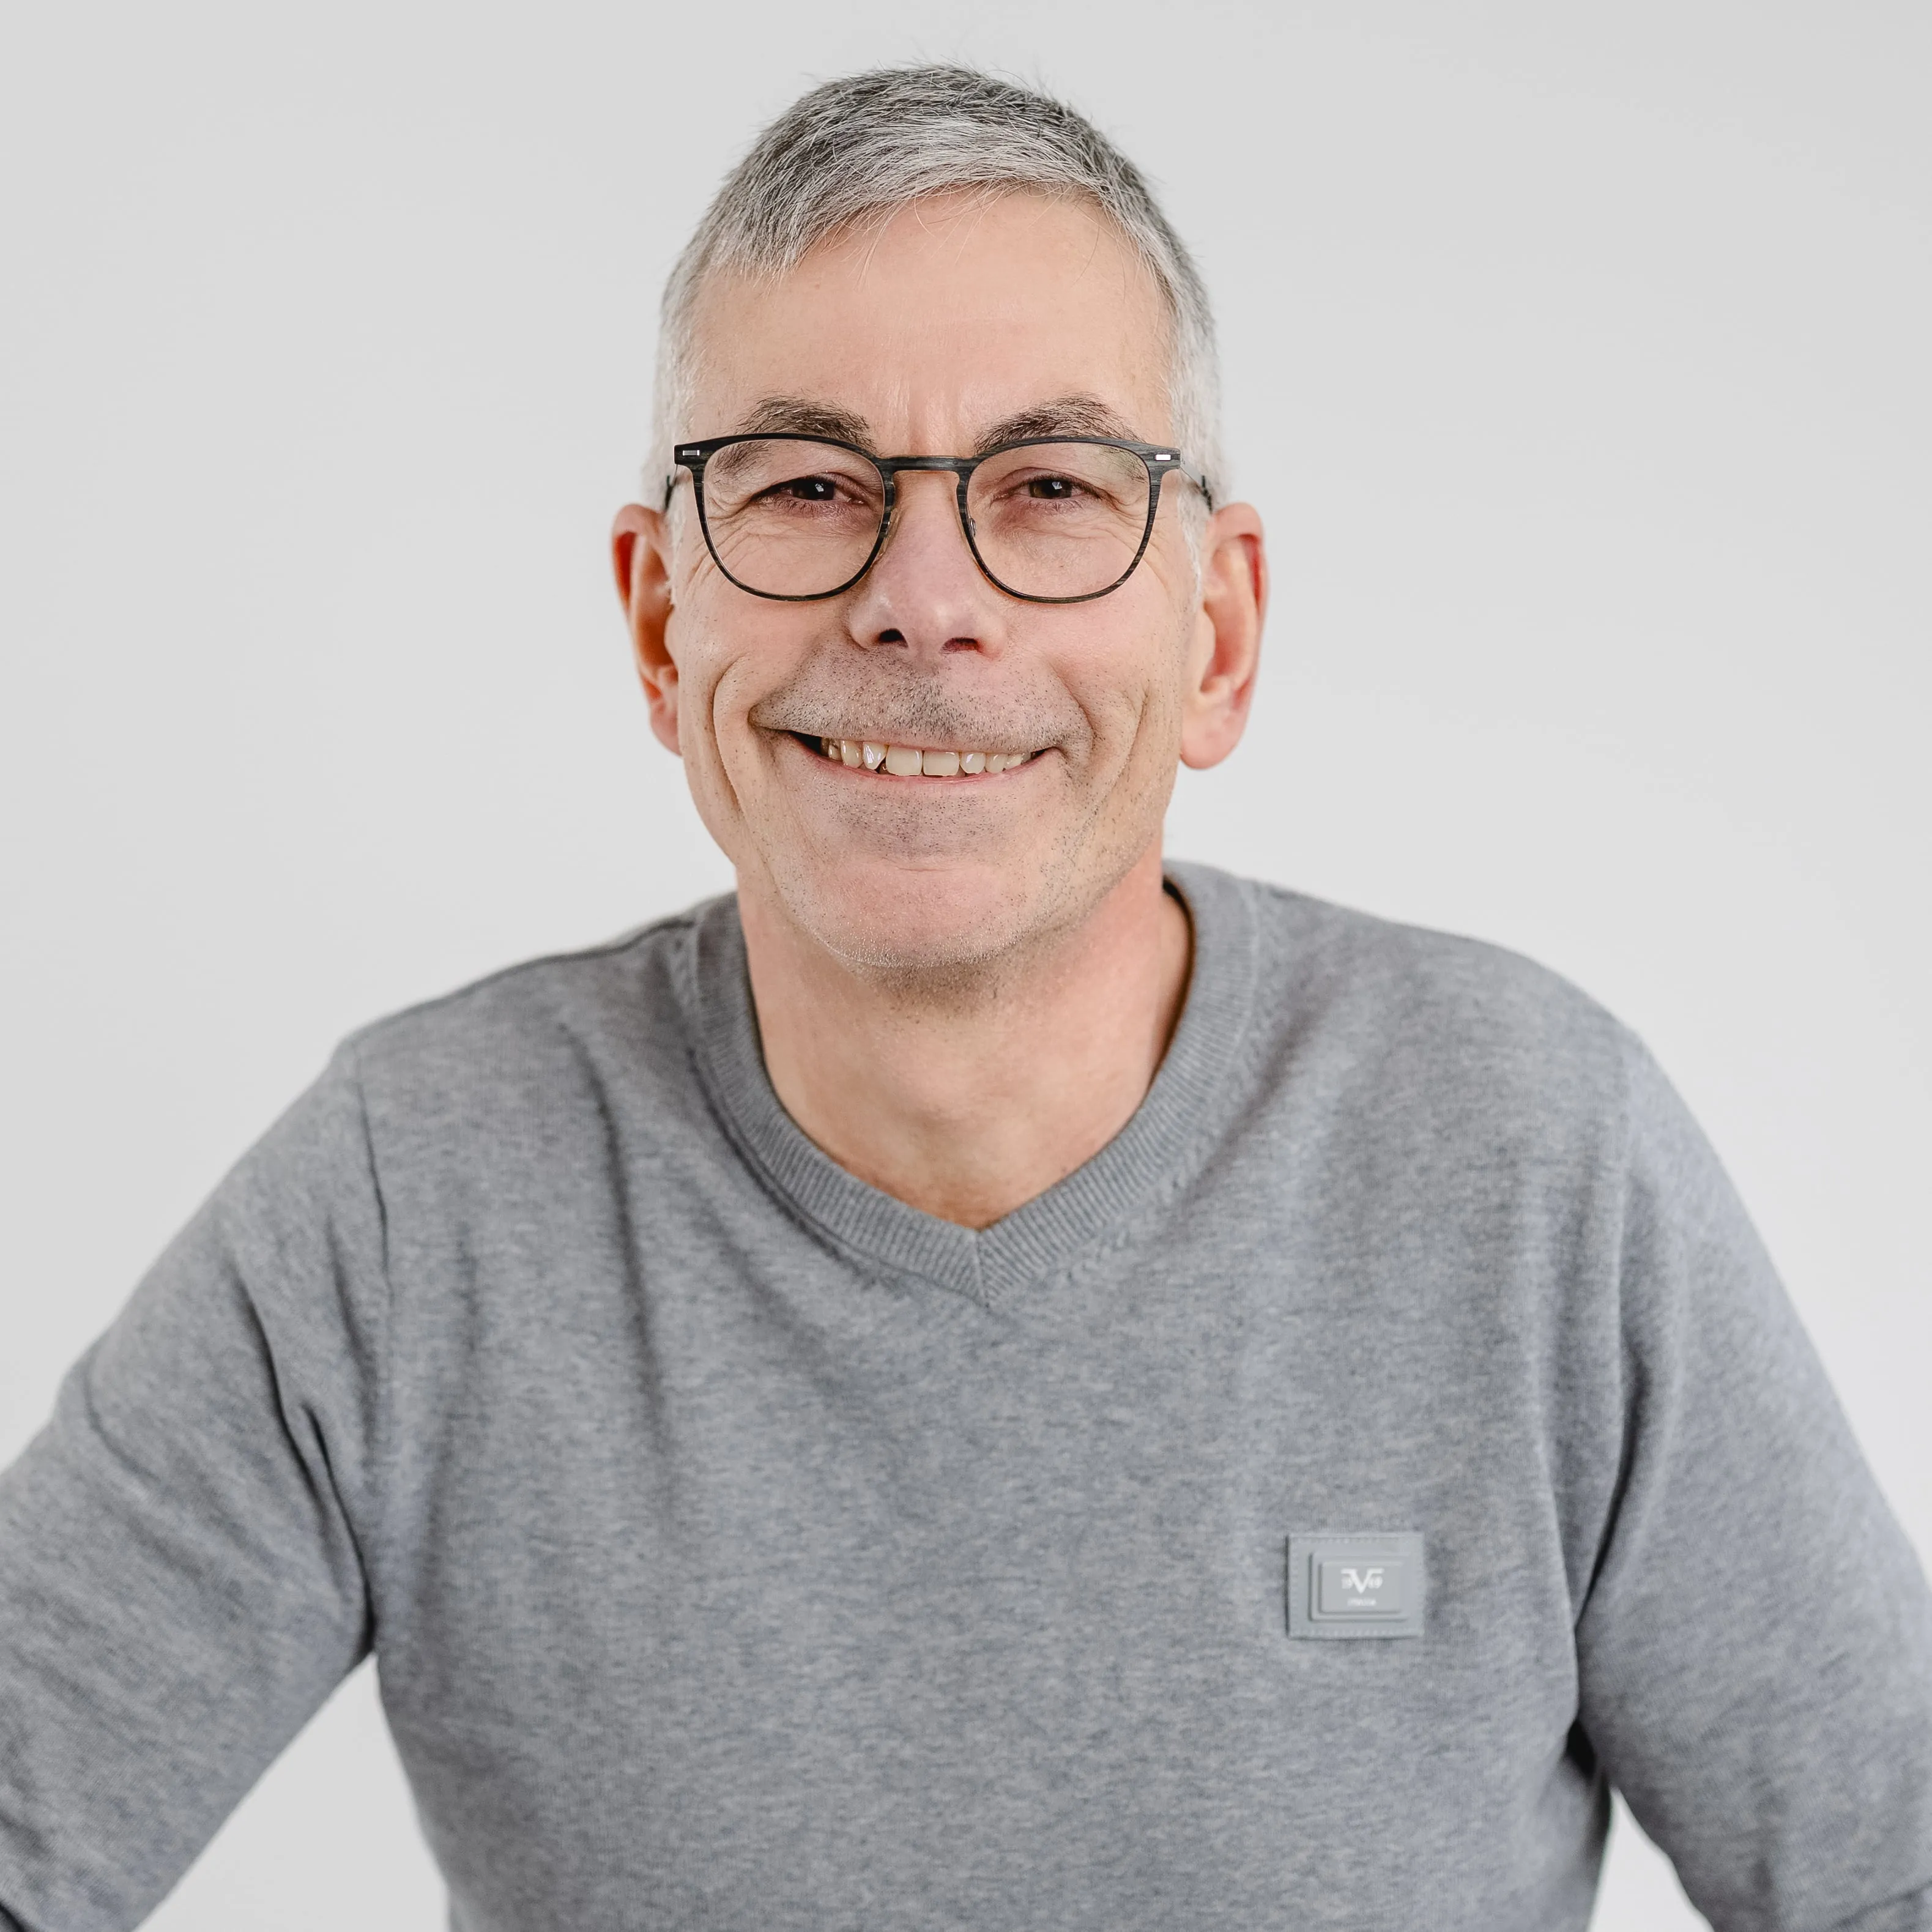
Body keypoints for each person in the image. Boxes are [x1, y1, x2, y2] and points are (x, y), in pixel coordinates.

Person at [1, 62, 1927, 1932]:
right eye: (807, 483)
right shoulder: (411, 1192)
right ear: (664, 627)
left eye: (1052, 486)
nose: (923, 598)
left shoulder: (1528, 1153)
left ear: (1219, 633)